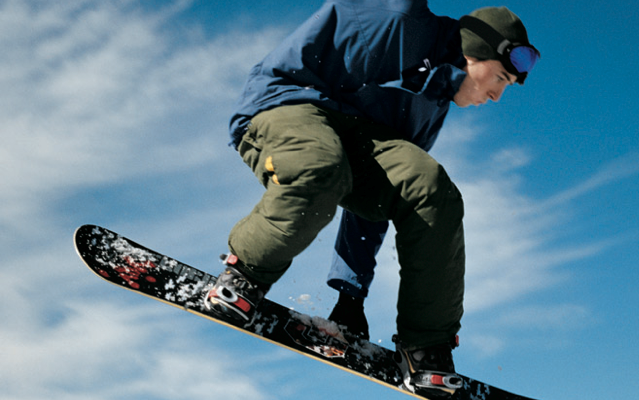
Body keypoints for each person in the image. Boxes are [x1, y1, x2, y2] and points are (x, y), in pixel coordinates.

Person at [204, 1, 539, 397]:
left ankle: (426, 346)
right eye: (500, 78)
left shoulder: (429, 107)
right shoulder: (402, 18)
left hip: (353, 137)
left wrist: (351, 294)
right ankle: (246, 273)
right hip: (289, 103)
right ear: (473, 52)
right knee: (321, 167)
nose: (497, 95)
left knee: (428, 186)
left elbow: (382, 198)